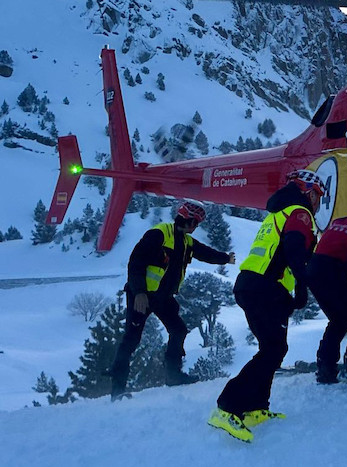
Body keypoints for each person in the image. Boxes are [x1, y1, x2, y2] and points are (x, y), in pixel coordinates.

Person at [208, 169, 323, 442]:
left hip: (254, 284)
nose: (319, 203)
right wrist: (303, 286)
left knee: (273, 348)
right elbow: (295, 249)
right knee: (273, 349)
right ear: (309, 192)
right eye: (318, 196)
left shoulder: (278, 214)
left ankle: (256, 407)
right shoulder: (299, 212)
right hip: (266, 287)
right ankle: (228, 407)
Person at [109, 200, 234, 400]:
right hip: (142, 296)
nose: (196, 228)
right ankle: (117, 389)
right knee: (131, 339)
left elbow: (205, 253)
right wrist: (139, 292)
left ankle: (173, 375)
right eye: (196, 223)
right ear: (189, 221)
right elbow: (135, 263)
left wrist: (225, 258)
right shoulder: (158, 234)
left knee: (178, 330)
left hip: (163, 297)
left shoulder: (186, 241)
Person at [306, 208, 347, 385]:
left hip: (314, 270)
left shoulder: (340, 221)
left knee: (339, 319)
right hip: (333, 271)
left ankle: (325, 366)